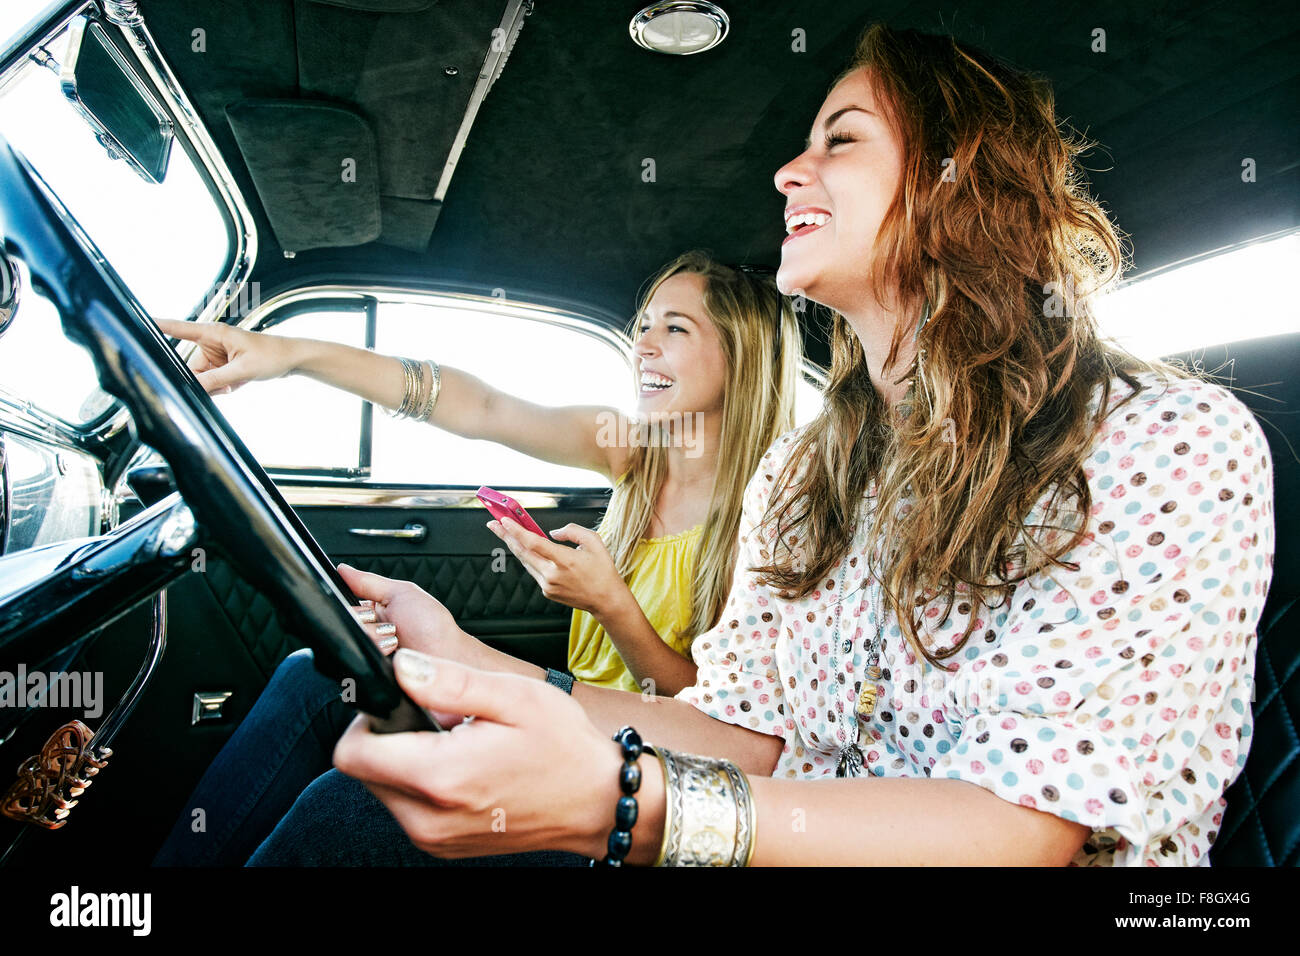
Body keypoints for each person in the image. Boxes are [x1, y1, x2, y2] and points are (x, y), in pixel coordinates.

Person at [250, 22, 1274, 867]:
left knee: (356, 824)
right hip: (770, 840)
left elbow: (1019, 829)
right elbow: (745, 734)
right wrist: (465, 660)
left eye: (840, 140)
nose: (789, 172)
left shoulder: (1165, 441)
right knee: (329, 701)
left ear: (958, 180)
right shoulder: (810, 470)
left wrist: (625, 805)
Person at [150, 252, 803, 866]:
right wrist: (289, 355)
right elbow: (476, 405)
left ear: (740, 355)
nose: (645, 345)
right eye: (643, 326)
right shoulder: (629, 453)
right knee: (313, 675)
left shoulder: (770, 517)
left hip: (641, 780)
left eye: (676, 328)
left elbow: (720, 730)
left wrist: (612, 606)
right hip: (561, 727)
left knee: (346, 807)